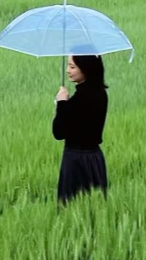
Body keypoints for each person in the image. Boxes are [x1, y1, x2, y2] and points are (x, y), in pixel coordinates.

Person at [53, 54, 109, 204]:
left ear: (86, 68)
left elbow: (58, 132)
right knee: (94, 208)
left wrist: (62, 103)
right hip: (95, 158)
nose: (67, 70)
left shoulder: (79, 99)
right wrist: (66, 105)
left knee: (71, 206)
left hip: (76, 160)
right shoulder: (101, 93)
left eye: (72, 66)